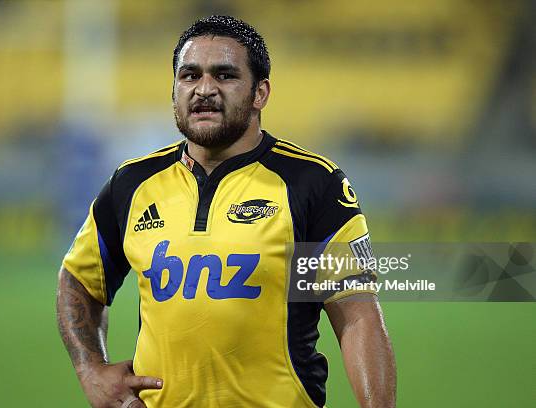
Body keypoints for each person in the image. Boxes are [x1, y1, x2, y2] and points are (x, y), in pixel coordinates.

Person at [56, 15, 396, 408]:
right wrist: (90, 369)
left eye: (225, 75)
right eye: (189, 75)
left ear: (260, 93)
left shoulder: (311, 183)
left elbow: (356, 316)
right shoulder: (132, 183)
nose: (204, 89)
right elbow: (79, 278)